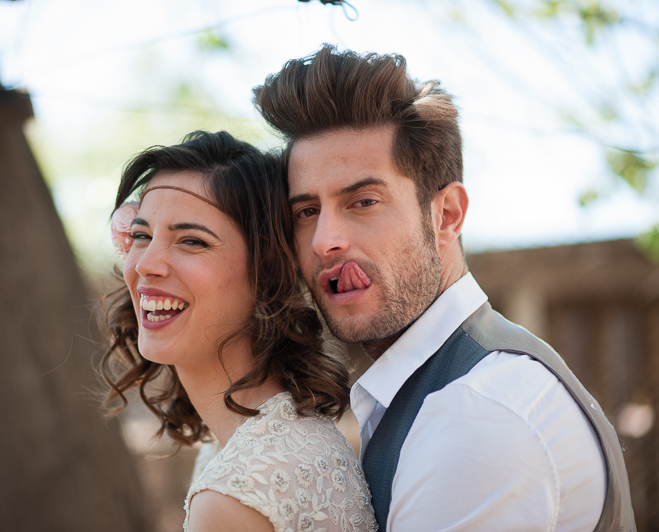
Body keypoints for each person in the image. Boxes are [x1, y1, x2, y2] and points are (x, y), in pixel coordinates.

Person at [252, 45, 636, 532]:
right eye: (306, 211)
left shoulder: (478, 415)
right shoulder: (444, 391)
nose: (326, 241)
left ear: (446, 215)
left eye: (363, 201)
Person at [101, 130, 378, 532]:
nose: (146, 264)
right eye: (141, 236)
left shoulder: (233, 499)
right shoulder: (276, 440)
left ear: (267, 274)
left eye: (192, 241)